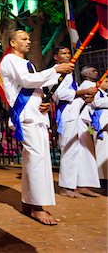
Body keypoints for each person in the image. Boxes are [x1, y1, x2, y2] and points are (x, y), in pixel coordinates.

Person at [0, 30, 74, 225]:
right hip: (26, 117)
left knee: (33, 160)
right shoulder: (9, 60)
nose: (29, 41)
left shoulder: (28, 64)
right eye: (24, 38)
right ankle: (37, 207)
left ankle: (28, 202)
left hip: (36, 115)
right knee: (37, 160)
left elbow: (36, 87)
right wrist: (56, 70)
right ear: (13, 43)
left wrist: (44, 101)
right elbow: (27, 81)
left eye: (29, 38)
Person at [52, 48, 99, 198]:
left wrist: (86, 98)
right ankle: (66, 187)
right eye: (63, 53)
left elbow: (73, 94)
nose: (67, 55)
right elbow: (59, 94)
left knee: (80, 151)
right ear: (55, 57)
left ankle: (80, 184)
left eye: (68, 53)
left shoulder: (69, 74)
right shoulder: (57, 71)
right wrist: (80, 93)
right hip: (66, 115)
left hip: (75, 114)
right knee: (69, 150)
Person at [72, 66, 102, 196]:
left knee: (86, 155)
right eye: (93, 71)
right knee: (82, 154)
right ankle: (80, 185)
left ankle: (85, 184)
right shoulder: (88, 85)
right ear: (86, 74)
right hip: (79, 121)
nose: (96, 72)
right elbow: (97, 103)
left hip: (83, 122)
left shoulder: (91, 85)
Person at [91, 76, 108, 193]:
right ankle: (103, 182)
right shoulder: (96, 92)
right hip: (100, 125)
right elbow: (96, 102)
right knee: (102, 151)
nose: (107, 84)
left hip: (105, 123)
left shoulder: (105, 94)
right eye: (106, 81)